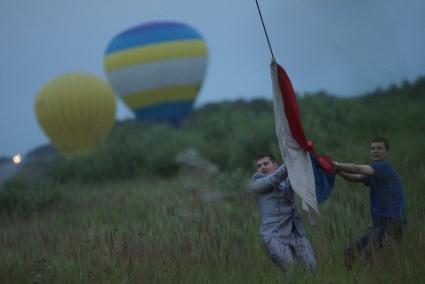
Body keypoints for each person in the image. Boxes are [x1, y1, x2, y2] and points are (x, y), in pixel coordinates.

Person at [332, 137, 407, 268]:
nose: (375, 151)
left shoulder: (383, 167)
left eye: (379, 148)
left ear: (387, 153)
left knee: (369, 254)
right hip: (380, 224)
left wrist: (336, 164)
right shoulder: (375, 171)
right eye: (373, 148)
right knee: (349, 252)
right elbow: (356, 178)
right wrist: (338, 172)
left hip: (392, 222)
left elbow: (357, 169)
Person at [248, 153, 317, 276]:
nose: (262, 167)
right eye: (259, 166)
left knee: (312, 270)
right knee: (292, 271)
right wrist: (290, 160)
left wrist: (307, 158)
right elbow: (273, 180)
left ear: (275, 164)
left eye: (266, 163)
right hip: (274, 236)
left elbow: (306, 176)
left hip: (297, 234)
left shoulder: (288, 178)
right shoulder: (257, 181)